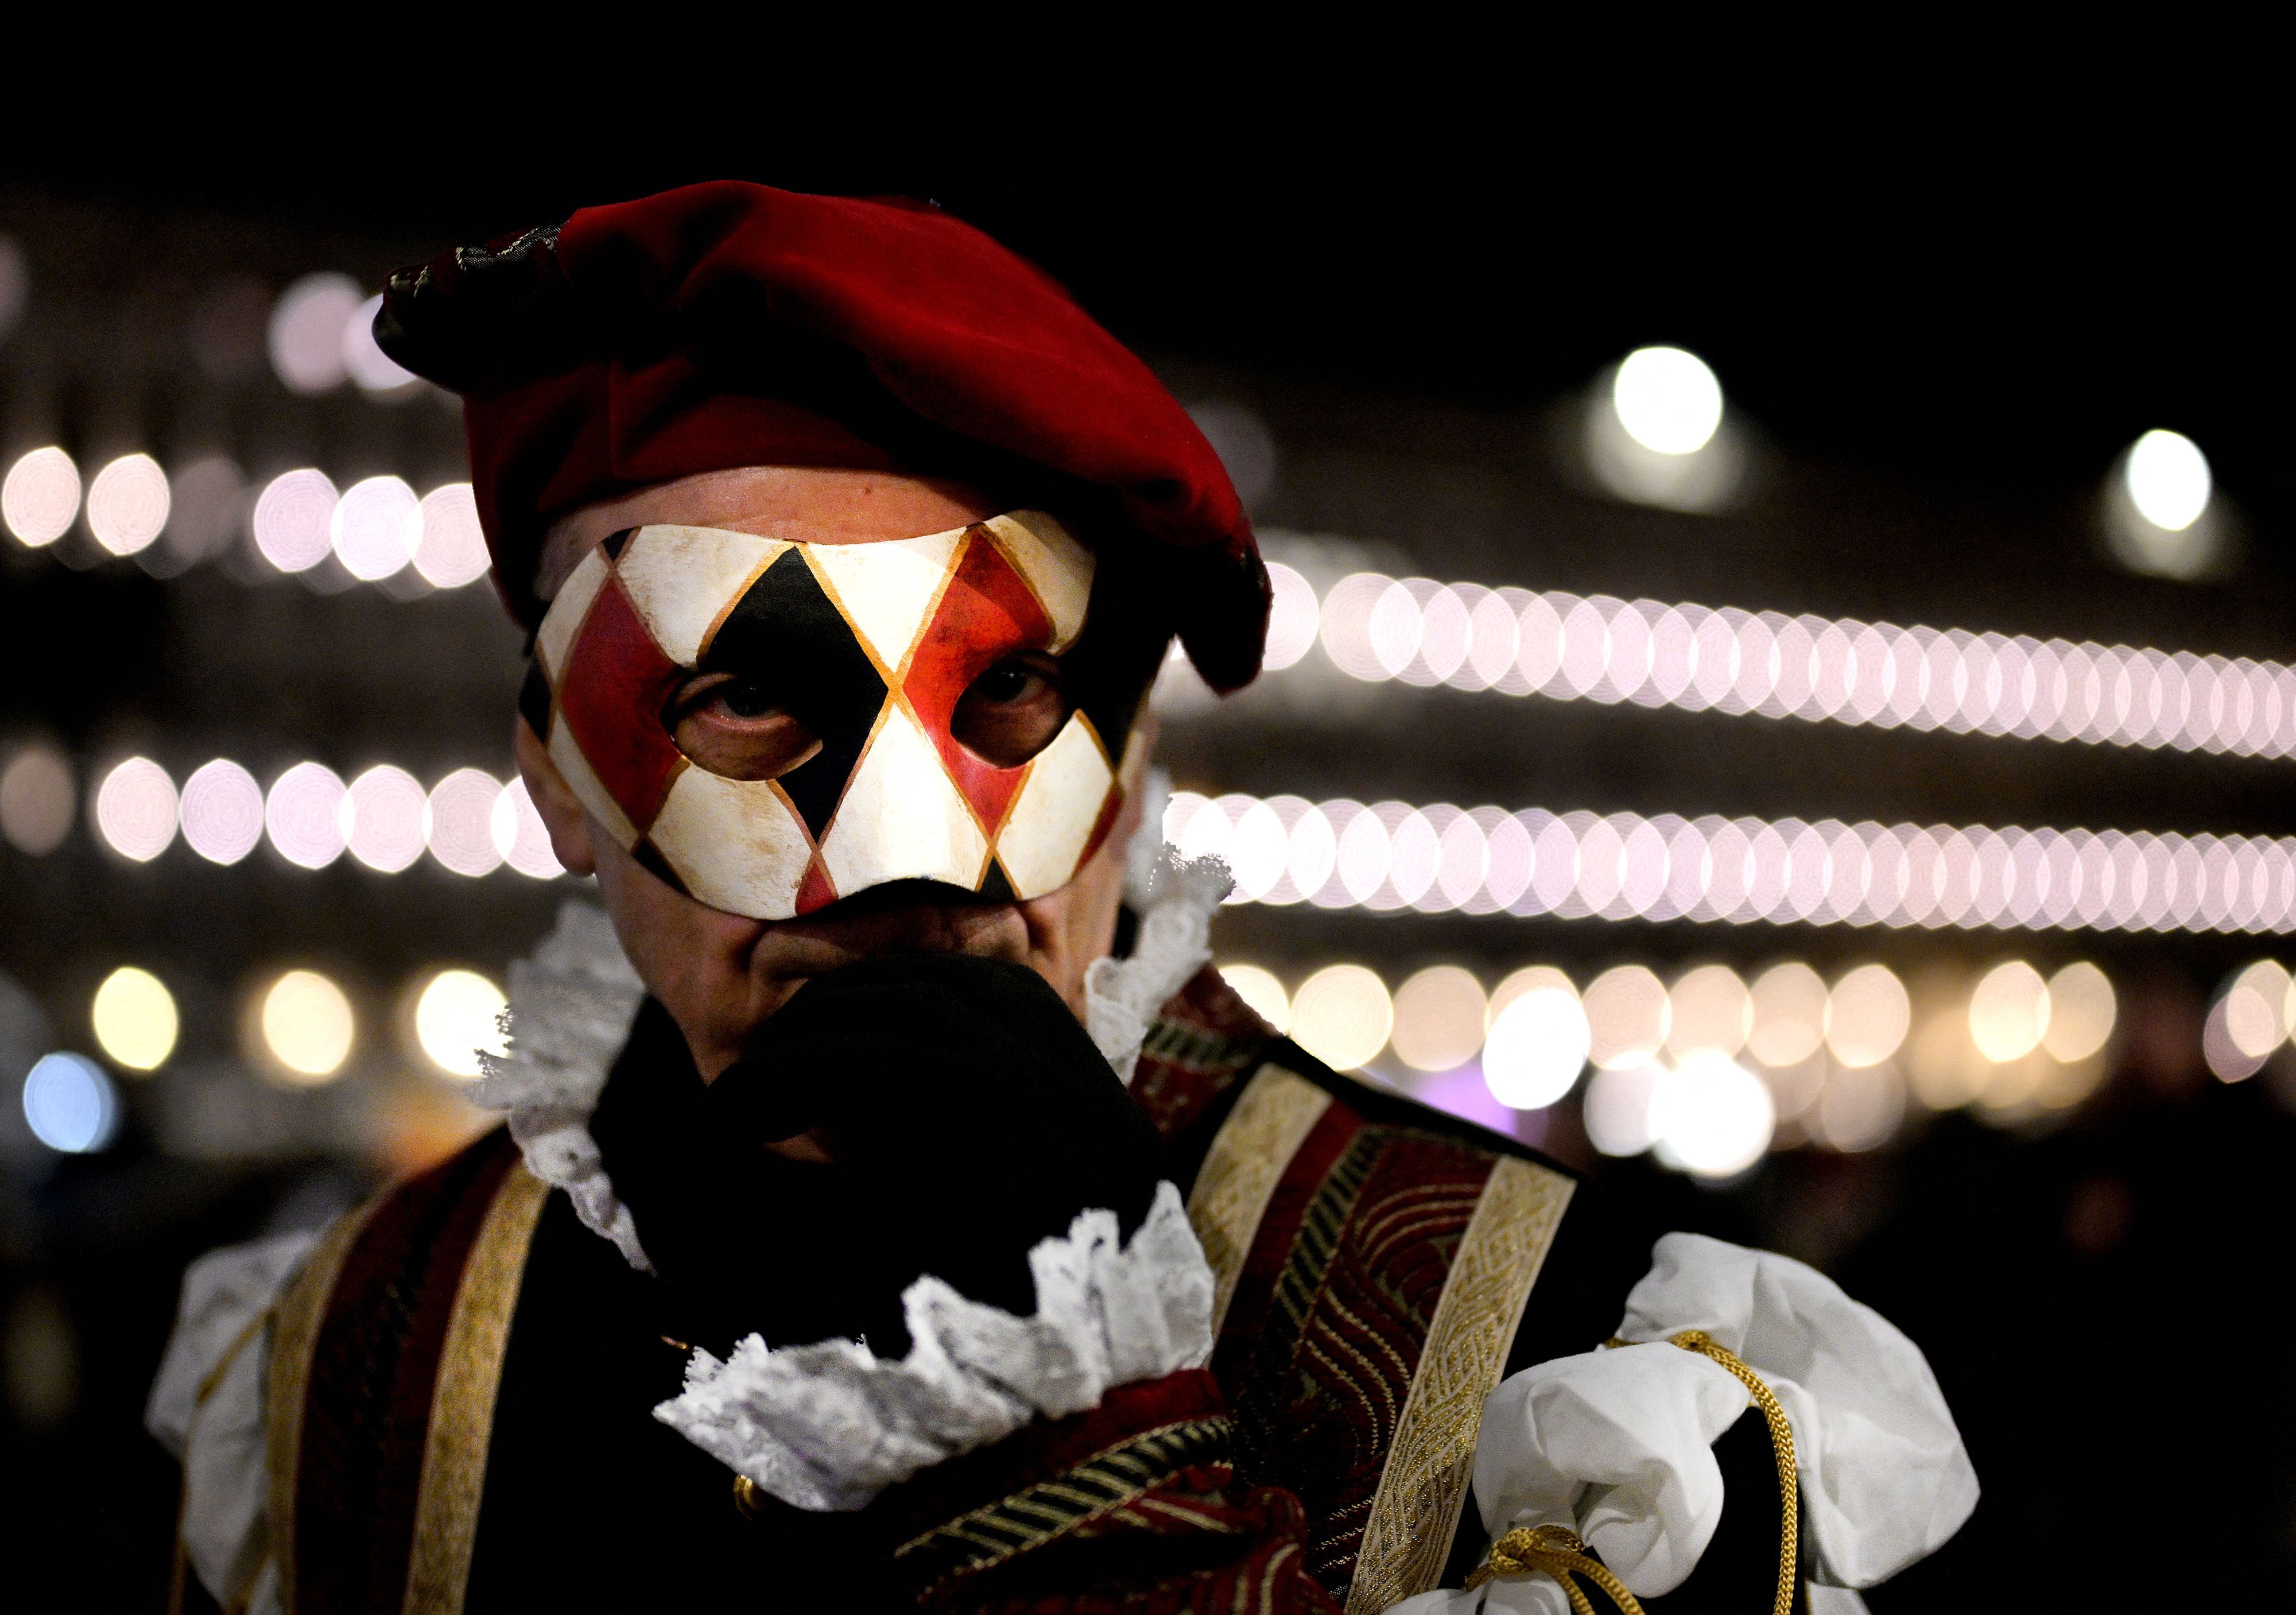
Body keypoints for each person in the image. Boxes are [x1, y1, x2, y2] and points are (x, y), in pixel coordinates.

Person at [148, 183, 1975, 1615]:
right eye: (746, 695)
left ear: (1136, 755)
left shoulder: (1557, 1356)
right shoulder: (360, 1347)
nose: (912, 859)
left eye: (1006, 696)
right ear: (554, 770)